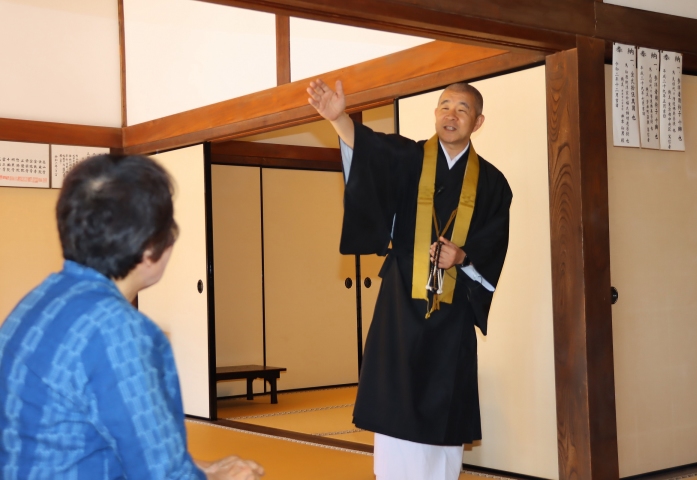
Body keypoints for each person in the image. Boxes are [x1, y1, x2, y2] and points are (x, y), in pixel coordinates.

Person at [0, 155, 263, 480]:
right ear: (151, 247)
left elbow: (92, 435)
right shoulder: (119, 331)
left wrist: (201, 468)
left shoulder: (37, 302)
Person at [307, 79, 512, 479]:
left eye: (462, 109)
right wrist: (339, 119)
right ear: (435, 114)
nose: (451, 115)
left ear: (478, 121)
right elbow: (370, 150)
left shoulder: (492, 183)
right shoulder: (407, 158)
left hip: (452, 315)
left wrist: (462, 256)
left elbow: (493, 243)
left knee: (444, 413)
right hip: (400, 303)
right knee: (395, 407)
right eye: (444, 106)